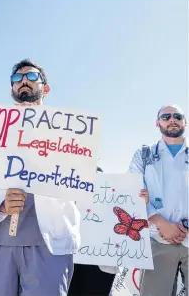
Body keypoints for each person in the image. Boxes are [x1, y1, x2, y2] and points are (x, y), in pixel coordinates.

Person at [0, 59, 79, 296]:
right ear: (11, 90)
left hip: (47, 242)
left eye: (31, 76)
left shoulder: (69, 131)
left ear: (45, 88)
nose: (24, 81)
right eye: (17, 79)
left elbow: (78, 180)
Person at [128, 104, 188, 296]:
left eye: (177, 116)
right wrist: (161, 222)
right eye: (166, 116)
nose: (172, 119)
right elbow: (132, 193)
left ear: (185, 122)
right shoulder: (143, 156)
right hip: (156, 239)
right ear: (157, 123)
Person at [68, 168, 150, 296]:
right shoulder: (71, 182)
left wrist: (140, 200)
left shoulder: (113, 187)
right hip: (76, 256)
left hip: (105, 261)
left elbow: (129, 206)